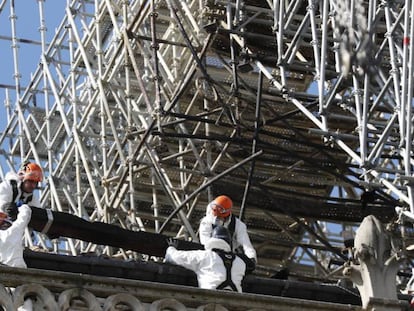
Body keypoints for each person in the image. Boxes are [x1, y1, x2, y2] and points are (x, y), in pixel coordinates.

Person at [165, 226, 247, 292]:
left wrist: (171, 248)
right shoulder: (240, 262)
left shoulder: (205, 256)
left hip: (211, 300)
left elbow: (174, 257)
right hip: (235, 301)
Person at [198, 195, 257, 269]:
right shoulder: (206, 221)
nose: (216, 219)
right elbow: (205, 242)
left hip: (229, 258)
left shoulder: (238, 225)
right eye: (215, 216)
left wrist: (252, 258)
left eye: (219, 217)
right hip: (210, 257)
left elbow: (247, 245)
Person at [0, 204, 33, 310]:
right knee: (23, 304)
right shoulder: (14, 230)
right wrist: (21, 206)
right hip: (18, 272)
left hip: (3, 273)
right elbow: (26, 214)